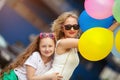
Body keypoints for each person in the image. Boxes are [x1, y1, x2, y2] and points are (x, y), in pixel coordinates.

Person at [44, 11, 82, 80]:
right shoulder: (63, 43)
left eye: (75, 26)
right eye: (68, 27)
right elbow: (87, 42)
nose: (72, 29)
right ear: (62, 28)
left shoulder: (74, 47)